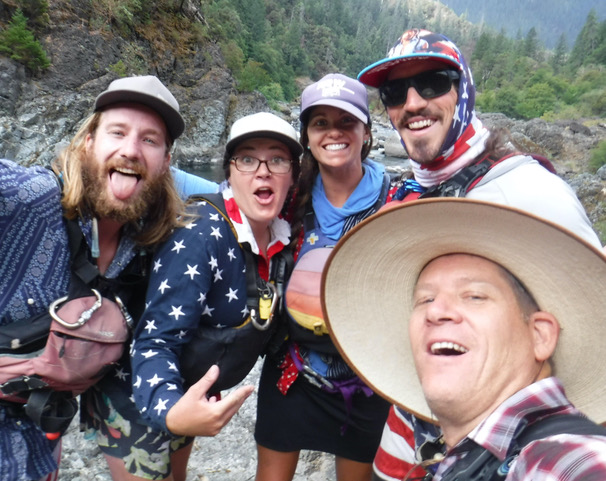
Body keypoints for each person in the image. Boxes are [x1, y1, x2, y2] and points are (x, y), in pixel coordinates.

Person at [355, 28, 603, 480]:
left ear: (463, 90)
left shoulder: (530, 192)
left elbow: (589, 326)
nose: (412, 103)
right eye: (394, 92)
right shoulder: (409, 194)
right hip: (417, 422)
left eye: (433, 83)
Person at [0, 74, 231, 481]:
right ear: (88, 141)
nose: (130, 150)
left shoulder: (146, 237)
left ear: (165, 163)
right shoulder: (28, 199)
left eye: (149, 140)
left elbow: (228, 193)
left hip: (38, 440)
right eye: (117, 132)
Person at [322, 198, 606, 481]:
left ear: (540, 336)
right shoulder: (470, 456)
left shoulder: (564, 460)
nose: (435, 311)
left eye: (474, 296)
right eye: (425, 299)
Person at [130, 112, 302, 471]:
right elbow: (154, 343)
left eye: (278, 159)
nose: (263, 170)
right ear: (229, 172)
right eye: (248, 158)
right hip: (144, 390)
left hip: (193, 388)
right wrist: (174, 412)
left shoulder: (284, 239)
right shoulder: (200, 234)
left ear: (293, 177)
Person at [254, 73, 392, 481]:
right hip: (290, 371)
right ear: (307, 137)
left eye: (346, 122)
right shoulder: (285, 194)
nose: (334, 132)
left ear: (366, 132)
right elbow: (229, 194)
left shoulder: (397, 201)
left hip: (366, 380)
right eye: (320, 123)